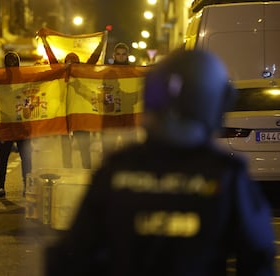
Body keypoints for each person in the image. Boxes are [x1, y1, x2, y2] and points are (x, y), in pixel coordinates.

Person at [45, 49, 276, 275]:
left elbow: (72, 257)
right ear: (216, 103)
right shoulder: (226, 175)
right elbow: (258, 257)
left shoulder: (117, 168)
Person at [0, 52, 32, 198]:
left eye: (14, 62)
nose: (12, 65)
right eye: (10, 62)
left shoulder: (24, 79)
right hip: (6, 124)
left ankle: (28, 185)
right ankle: (0, 185)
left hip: (21, 124)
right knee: (3, 157)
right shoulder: (0, 80)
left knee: (26, 157)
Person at [61, 52, 92, 169]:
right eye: (69, 62)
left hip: (81, 119)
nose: (71, 65)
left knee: (84, 149)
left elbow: (88, 94)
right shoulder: (61, 77)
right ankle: (67, 172)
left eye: (74, 62)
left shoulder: (84, 77)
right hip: (66, 119)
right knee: (66, 150)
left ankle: (87, 173)